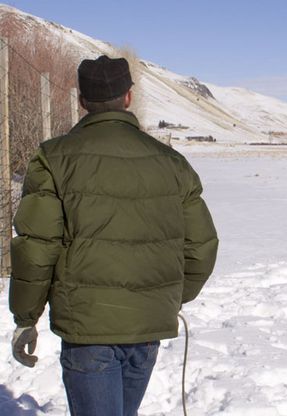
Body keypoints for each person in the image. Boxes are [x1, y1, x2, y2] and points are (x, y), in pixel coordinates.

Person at [9, 55, 219, 416]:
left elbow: (36, 247)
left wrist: (26, 317)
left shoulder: (54, 158)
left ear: (82, 102)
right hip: (146, 327)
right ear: (128, 97)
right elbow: (201, 246)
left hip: (87, 327)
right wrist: (162, 299)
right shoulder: (171, 162)